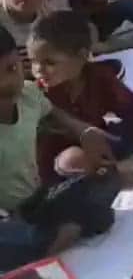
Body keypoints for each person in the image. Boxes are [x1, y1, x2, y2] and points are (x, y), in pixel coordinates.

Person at [0, 25, 121, 273]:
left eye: (11, 69)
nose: (7, 81)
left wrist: (85, 132)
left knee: (105, 178)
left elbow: (53, 113)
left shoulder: (29, 95)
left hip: (39, 200)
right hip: (9, 217)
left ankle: (60, 233)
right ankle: (59, 237)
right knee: (21, 240)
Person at [29, 11, 133, 190]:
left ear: (82, 56)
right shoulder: (36, 94)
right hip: (65, 156)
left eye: (50, 62)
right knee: (71, 161)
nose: (38, 70)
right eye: (33, 62)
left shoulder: (99, 78)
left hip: (103, 144)